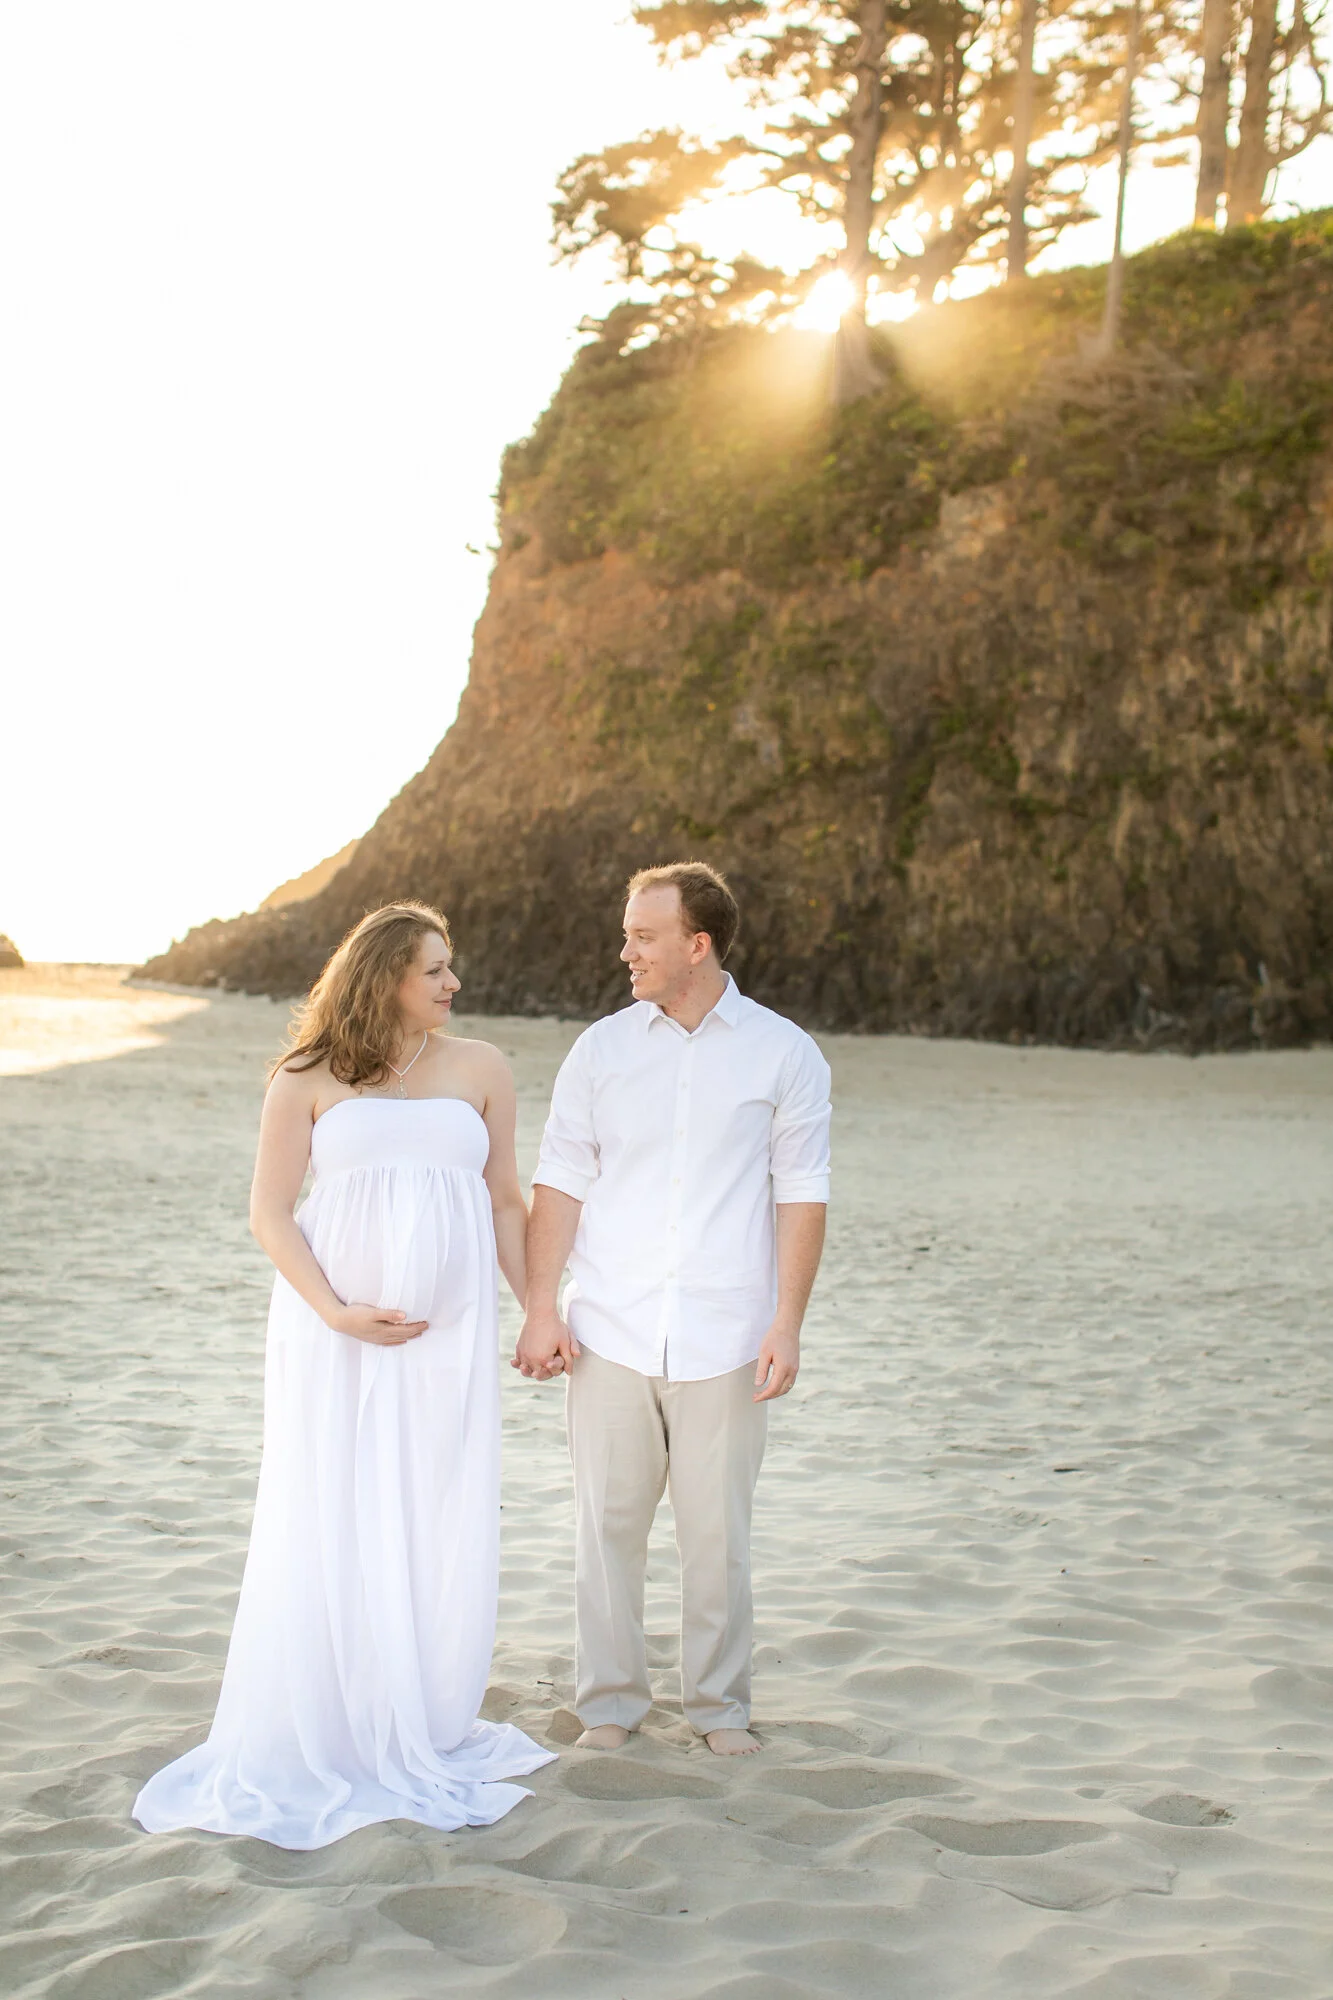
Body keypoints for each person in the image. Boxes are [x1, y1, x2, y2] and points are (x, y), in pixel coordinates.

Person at [133, 902, 554, 1848]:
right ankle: (335, 1710)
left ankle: (419, 1707)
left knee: (429, 1503)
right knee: (332, 1503)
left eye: (452, 967)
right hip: (331, 1332)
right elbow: (271, 1212)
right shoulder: (304, 1076)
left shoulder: (483, 1069)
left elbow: (502, 1199)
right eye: (434, 969)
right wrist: (334, 1312)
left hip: (445, 1341)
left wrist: (537, 1306)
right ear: (381, 978)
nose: (453, 984)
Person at [515, 863, 831, 1756]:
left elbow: (801, 1193)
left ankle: (718, 1709)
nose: (626, 953)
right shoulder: (600, 1051)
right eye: (626, 935)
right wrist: (542, 1307)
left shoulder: (784, 1053)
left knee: (715, 1537)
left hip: (727, 1334)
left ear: (697, 945)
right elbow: (560, 1182)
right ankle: (609, 1705)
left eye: (643, 937)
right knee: (605, 1530)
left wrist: (786, 1323)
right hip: (608, 1326)